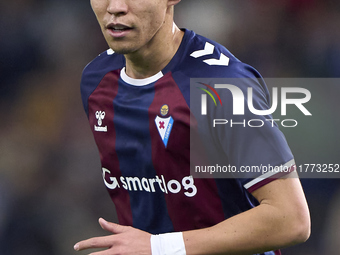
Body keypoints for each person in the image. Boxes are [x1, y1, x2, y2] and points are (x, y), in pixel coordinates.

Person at [74, 0, 311, 254]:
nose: (116, 7)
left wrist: (159, 248)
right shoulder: (97, 81)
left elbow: (291, 219)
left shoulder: (220, 86)